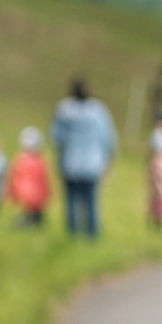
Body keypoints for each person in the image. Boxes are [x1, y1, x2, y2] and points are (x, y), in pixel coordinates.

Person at [51, 76, 118, 240]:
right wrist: (111, 158)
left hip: (70, 163)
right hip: (91, 164)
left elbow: (56, 137)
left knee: (72, 202)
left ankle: (73, 234)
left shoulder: (64, 110)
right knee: (91, 202)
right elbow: (108, 137)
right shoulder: (97, 111)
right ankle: (92, 234)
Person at [8, 127, 50, 228]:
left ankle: (30, 222)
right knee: (30, 210)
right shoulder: (38, 159)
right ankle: (28, 222)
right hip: (30, 192)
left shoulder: (23, 159)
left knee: (32, 210)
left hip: (30, 192)